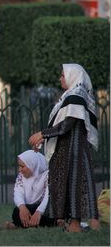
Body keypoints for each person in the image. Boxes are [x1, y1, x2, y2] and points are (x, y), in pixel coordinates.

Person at [28, 63, 100, 232]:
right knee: (67, 186)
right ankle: (73, 224)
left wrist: (43, 134)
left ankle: (76, 225)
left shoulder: (76, 96)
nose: (60, 78)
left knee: (75, 185)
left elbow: (66, 124)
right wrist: (45, 138)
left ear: (73, 76)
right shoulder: (70, 95)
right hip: (66, 150)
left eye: (63, 75)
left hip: (74, 151)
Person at [5, 150, 56, 229]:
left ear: (32, 165)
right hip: (29, 209)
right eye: (19, 166)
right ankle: (34, 223)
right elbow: (18, 193)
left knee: (50, 213)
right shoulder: (21, 176)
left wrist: (39, 212)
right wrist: (22, 207)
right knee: (17, 212)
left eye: (22, 166)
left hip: (45, 208)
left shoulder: (47, 175)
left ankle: (19, 224)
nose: (19, 169)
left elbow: (48, 197)